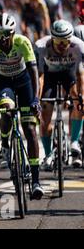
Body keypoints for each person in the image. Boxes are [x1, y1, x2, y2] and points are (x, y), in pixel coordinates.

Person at [0, 12, 44, 200]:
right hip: (4, 83)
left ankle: (35, 181)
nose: (1, 39)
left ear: (12, 32)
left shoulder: (23, 42)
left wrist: (35, 99)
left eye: (5, 34)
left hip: (24, 81)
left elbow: (34, 72)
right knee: (7, 112)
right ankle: (4, 144)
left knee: (30, 129)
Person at [35, 20, 84, 169]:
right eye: (58, 41)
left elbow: (80, 74)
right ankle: (48, 154)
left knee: (79, 101)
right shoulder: (41, 46)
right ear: (51, 38)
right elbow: (40, 77)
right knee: (45, 115)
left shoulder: (79, 46)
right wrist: (37, 99)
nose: (62, 45)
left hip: (69, 73)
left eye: (65, 41)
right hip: (49, 75)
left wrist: (81, 96)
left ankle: (74, 141)